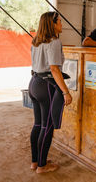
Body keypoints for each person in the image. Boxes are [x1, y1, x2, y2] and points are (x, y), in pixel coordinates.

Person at [28, 12, 72, 174]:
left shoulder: (36, 41)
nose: (62, 24)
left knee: (38, 124)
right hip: (46, 86)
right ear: (52, 24)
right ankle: (42, 166)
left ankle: (35, 161)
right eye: (59, 21)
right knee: (47, 126)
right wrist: (65, 92)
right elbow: (54, 69)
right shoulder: (54, 42)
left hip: (34, 83)